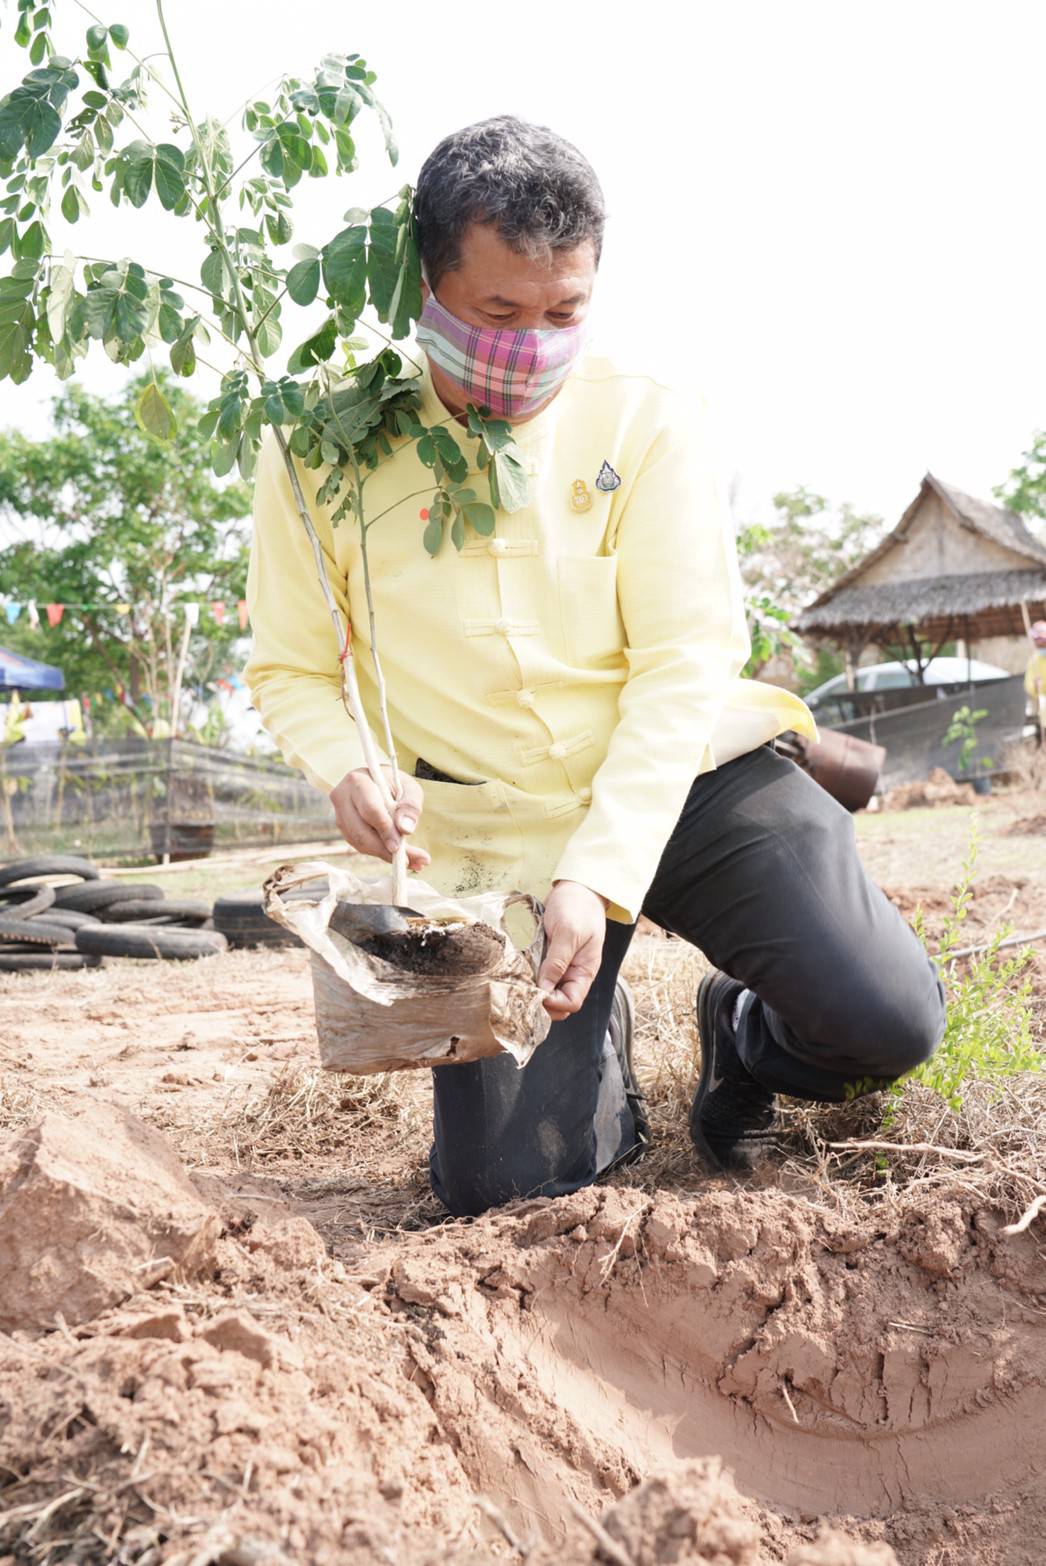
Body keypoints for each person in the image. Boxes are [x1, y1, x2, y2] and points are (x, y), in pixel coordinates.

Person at [245, 115, 946, 1217]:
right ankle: (593, 1038)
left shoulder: (650, 422)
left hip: (684, 780)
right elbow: (287, 667)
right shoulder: (319, 444)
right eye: (498, 313)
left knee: (882, 1020)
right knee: (496, 1189)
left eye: (563, 312)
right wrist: (345, 765)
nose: (531, 344)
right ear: (426, 286)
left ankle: (740, 1041)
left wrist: (599, 874)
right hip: (492, 839)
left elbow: (680, 665)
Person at [1025, 620, 1046, 738]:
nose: (1040, 643)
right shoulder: (1034, 661)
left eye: (1042, 640)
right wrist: (1035, 685)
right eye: (1037, 640)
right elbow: (1029, 686)